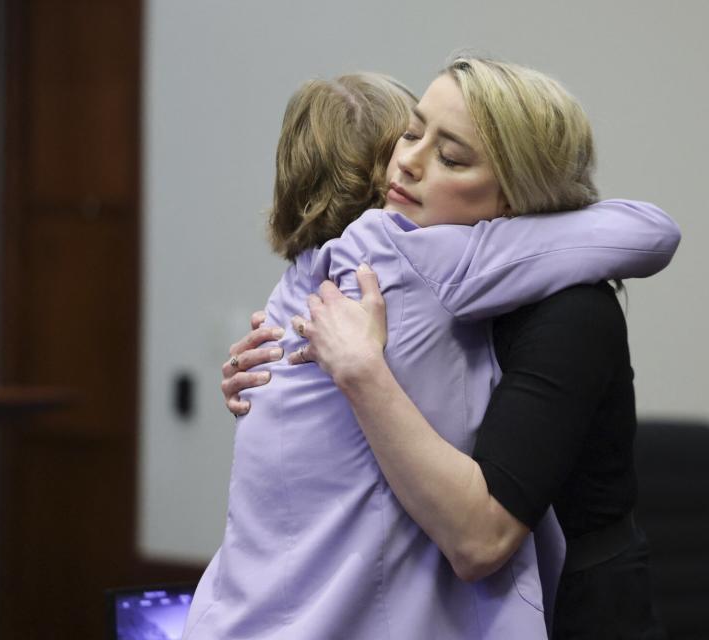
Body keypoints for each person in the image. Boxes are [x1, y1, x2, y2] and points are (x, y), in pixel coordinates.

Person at [189, 60, 679, 640]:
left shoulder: (566, 308)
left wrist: (360, 370)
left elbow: (481, 540)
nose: (408, 163)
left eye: (451, 157)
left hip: (583, 610)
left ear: (513, 202)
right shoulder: (379, 260)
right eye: (411, 132)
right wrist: (275, 363)